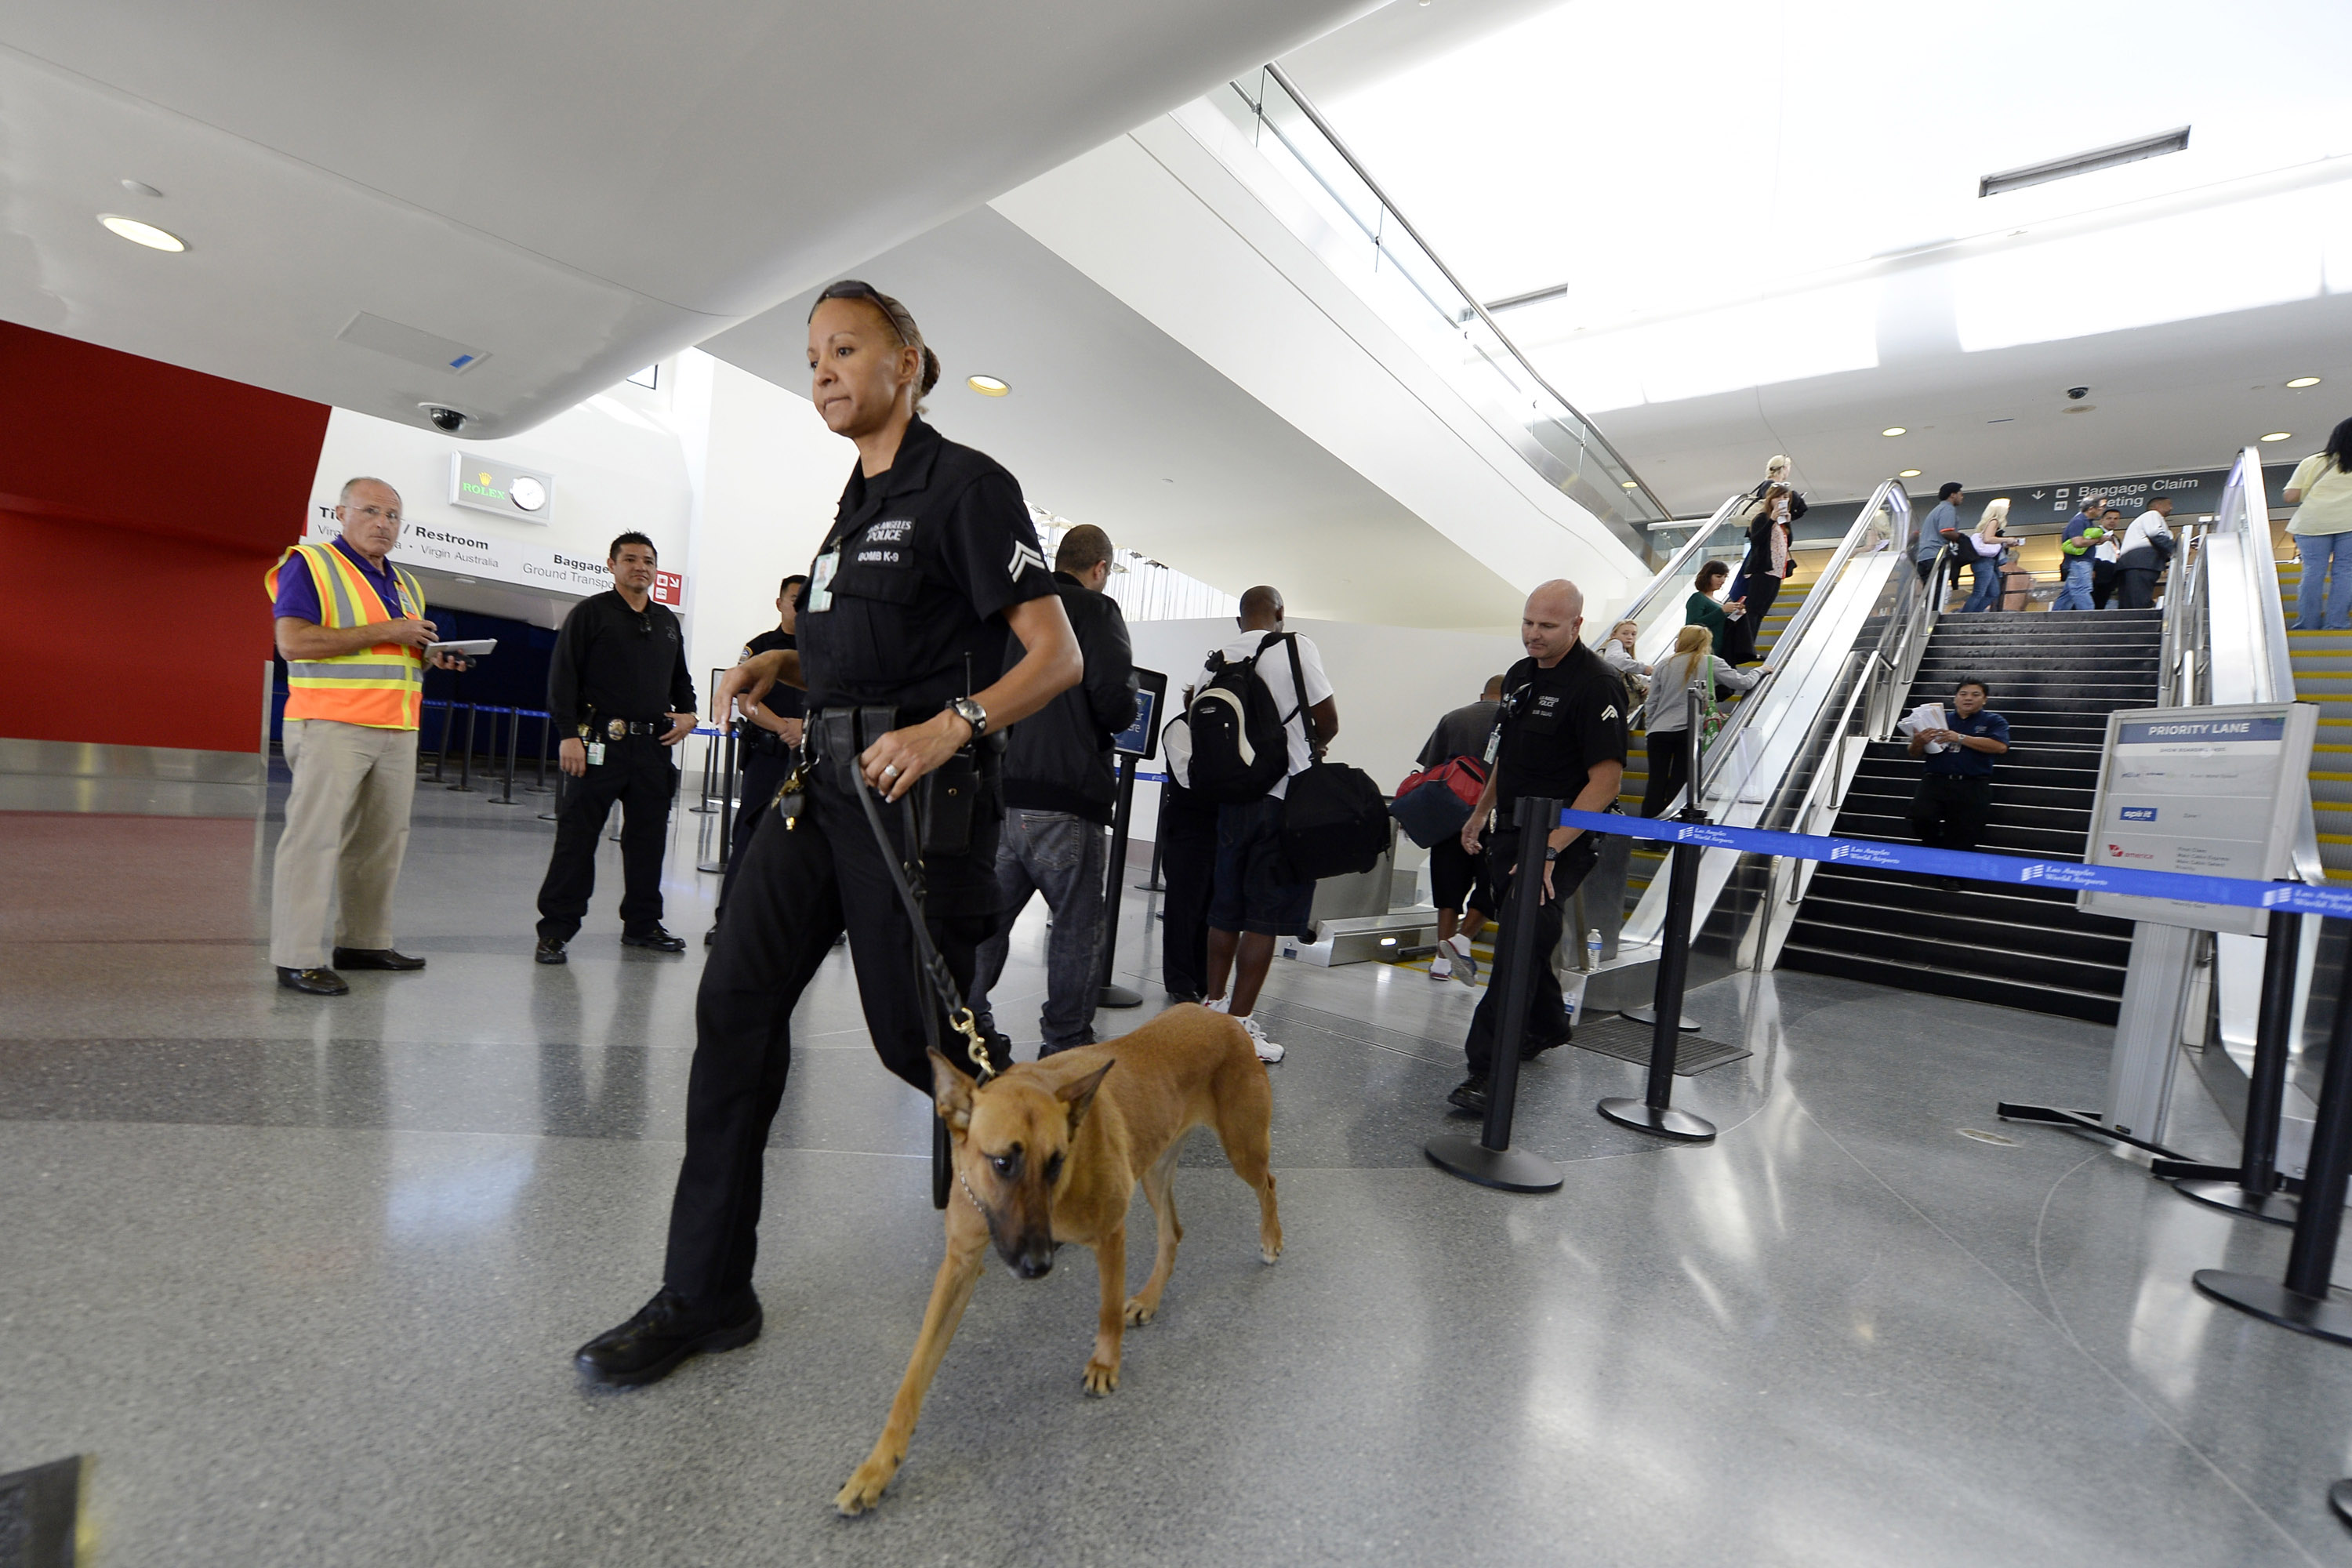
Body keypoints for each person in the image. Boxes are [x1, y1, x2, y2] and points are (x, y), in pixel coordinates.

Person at [572, 281, 1081, 1388]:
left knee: (925, 1045)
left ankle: (1042, 1171)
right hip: (819, 788)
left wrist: (956, 727)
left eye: (846, 349)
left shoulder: (967, 488)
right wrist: (787, 664)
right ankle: (706, 1293)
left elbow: (1056, 657)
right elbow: (874, 656)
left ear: (909, 359)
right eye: (813, 358)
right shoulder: (852, 504)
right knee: (734, 1006)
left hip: (916, 804)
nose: (824, 373)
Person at [265, 477, 470, 995]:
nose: (384, 523)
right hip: (331, 725)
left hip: (397, 728)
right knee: (313, 841)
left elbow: (400, 651)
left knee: (381, 844)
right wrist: (390, 632)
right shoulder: (310, 565)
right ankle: (296, 957)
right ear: (341, 513)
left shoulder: (406, 584)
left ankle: (363, 941)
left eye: (394, 516)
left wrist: (433, 655)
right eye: (372, 511)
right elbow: (293, 643)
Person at [1446, 579, 1627, 1115]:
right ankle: (1549, 1025)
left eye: (1547, 626)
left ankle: (1485, 1071)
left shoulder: (1598, 685)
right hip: (1510, 831)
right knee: (1533, 931)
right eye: (1528, 623)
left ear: (1576, 624)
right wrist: (1481, 811)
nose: (1534, 635)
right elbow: (1508, 755)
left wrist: (1549, 849)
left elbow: (1606, 782)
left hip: (1565, 837)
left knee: (1520, 941)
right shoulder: (1521, 676)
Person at [967, 523, 1138, 1057]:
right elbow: (1114, 702)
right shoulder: (1096, 611)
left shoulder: (1018, 609)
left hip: (1002, 795)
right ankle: (1063, 1048)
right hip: (1068, 799)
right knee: (1075, 930)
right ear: (1100, 569)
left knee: (987, 923)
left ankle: (967, 1024)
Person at [532, 533, 700, 964]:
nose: (640, 567)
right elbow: (562, 678)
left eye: (648, 561)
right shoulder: (591, 614)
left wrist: (690, 714)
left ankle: (643, 926)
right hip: (598, 745)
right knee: (577, 838)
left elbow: (680, 679)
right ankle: (555, 931)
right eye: (630, 559)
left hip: (653, 748)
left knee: (649, 841)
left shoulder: (666, 622)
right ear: (612, 565)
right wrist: (568, 734)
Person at [1196, 585, 1337, 1065]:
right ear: (1279, 613)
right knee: (1265, 915)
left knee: (1225, 907)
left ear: (1240, 620)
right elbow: (1328, 719)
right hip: (1284, 800)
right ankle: (1237, 1026)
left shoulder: (1216, 660)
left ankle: (1212, 1006)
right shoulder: (1296, 646)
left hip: (1232, 801)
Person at [710, 574, 810, 944]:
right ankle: (728, 920)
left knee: (807, 843)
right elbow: (745, 701)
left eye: (806, 600)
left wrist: (807, 729)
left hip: (811, 757)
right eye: (794, 599)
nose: (799, 607)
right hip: (768, 754)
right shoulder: (761, 648)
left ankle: (802, 924)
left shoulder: (826, 649)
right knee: (750, 837)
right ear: (780, 602)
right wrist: (787, 727)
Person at [1415, 675, 1504, 984]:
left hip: (1450, 816)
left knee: (1448, 888)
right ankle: (1463, 938)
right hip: (1496, 818)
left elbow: (1430, 770)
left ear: (1482, 694)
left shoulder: (1453, 717)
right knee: (1491, 885)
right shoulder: (1514, 721)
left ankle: (1441, 962)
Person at [1637, 625, 1768, 818]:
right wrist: (1760, 671)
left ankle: (1648, 834)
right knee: (1680, 783)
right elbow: (1743, 683)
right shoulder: (1710, 662)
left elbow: (1652, 702)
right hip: (1688, 733)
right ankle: (1672, 832)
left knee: (1656, 782)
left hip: (1658, 732)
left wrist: (1650, 730)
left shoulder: (1664, 664)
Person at [1907, 677, 2009, 890]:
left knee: (1964, 832)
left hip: (1972, 784)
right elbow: (1914, 753)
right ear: (1955, 698)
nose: (1968, 698)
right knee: (1921, 818)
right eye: (1963, 694)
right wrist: (1918, 741)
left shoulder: (1994, 721)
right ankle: (1939, 850)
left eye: (1975, 695)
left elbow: (2000, 747)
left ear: (1984, 700)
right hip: (1935, 781)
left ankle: (1952, 877)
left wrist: (1959, 737)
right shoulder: (1936, 719)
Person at [2287, 419, 2352, 630]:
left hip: (2313, 523)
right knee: (2345, 572)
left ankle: (2307, 623)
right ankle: (2336, 623)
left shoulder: (2313, 462)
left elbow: (2291, 496)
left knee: (2313, 571)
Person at [1722, 483, 1795, 663]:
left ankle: (1750, 648)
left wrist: (1787, 522)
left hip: (1777, 572)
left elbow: (1788, 543)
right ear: (1770, 499)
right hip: (1762, 570)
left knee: (1761, 611)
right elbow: (1756, 540)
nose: (1782, 501)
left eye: (1786, 498)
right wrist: (1772, 520)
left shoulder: (1782, 522)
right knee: (1753, 610)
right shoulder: (1762, 518)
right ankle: (1746, 649)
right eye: (1779, 497)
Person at [1725, 456, 1809, 606]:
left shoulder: (1768, 485)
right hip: (1766, 537)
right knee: (1754, 569)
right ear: (1784, 468)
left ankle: (1744, 599)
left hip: (1768, 536)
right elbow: (1794, 509)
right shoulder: (1772, 486)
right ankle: (1742, 600)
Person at [2114, 498, 2175, 610]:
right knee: (2138, 602)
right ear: (2157, 506)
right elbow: (2155, 534)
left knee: (2130, 602)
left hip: (2135, 565)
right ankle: (2138, 625)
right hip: (2141, 565)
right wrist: (2176, 549)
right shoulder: (2152, 515)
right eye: (2169, 504)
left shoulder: (2147, 519)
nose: (2171, 508)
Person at [2052, 500, 2107, 611]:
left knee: (2068, 595)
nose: (2103, 510)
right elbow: (2078, 542)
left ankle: (2054, 618)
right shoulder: (2079, 521)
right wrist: (2098, 540)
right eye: (2102, 507)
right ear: (2091, 508)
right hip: (2080, 562)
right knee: (2082, 590)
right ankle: (2089, 619)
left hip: (2079, 562)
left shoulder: (2085, 521)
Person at [1684, 559, 1741, 659]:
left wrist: (1737, 614)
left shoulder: (1717, 601)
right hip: (1704, 651)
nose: (1722, 580)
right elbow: (1693, 624)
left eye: (1725, 577)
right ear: (1707, 576)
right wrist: (1722, 611)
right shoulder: (1698, 598)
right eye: (1718, 576)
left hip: (1719, 649)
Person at [1959, 500, 2010, 613]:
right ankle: (1964, 616)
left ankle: (1972, 614)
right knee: (1980, 593)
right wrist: (2007, 539)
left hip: (1987, 563)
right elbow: (1988, 539)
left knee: (1993, 592)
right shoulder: (1994, 521)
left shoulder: (1988, 523)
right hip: (1984, 562)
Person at [1918, 482, 1965, 584]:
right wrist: (1962, 538)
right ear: (1953, 495)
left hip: (1924, 556)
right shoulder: (1948, 509)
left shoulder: (1937, 510)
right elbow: (1946, 531)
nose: (1962, 497)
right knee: (1937, 591)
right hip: (1936, 555)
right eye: (1961, 494)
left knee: (1929, 591)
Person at [1599, 621, 1650, 702]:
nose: (1630, 637)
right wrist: (1644, 669)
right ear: (1613, 635)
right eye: (1625, 633)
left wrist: (1644, 682)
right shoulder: (1615, 643)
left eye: (1633, 634)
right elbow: (1613, 659)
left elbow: (1628, 675)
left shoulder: (1623, 651)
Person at [2091, 507, 2125, 609]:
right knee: (2095, 601)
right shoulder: (2095, 533)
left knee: (2103, 600)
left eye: (2116, 519)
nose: (2112, 521)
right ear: (2102, 520)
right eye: (2109, 518)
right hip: (2098, 572)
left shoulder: (2115, 538)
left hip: (2111, 573)